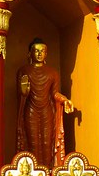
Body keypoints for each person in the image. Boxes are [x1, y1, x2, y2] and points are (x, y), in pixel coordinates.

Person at [16, 38, 73, 168]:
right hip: (30, 110)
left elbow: (54, 93)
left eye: (42, 51)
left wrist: (65, 100)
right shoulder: (24, 71)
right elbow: (21, 94)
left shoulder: (52, 73)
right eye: (36, 51)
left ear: (46, 54)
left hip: (47, 111)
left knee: (48, 143)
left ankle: (48, 171)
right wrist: (24, 90)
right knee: (33, 142)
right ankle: (33, 171)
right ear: (29, 54)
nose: (39, 54)